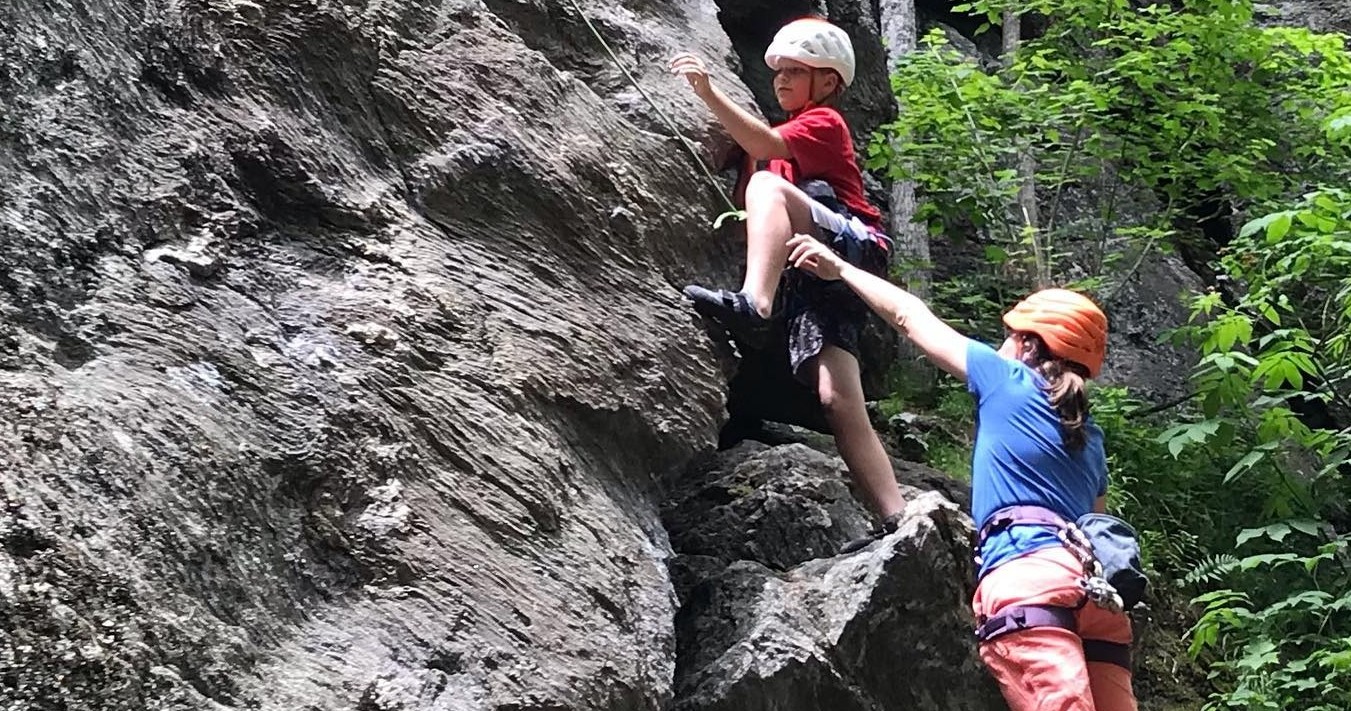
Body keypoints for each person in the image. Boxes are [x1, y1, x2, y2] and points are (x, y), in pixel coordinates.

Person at [785, 232, 1136, 711]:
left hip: (1027, 579)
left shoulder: (1005, 378)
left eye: (1010, 334)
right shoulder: (1090, 438)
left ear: (1028, 344)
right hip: (1099, 600)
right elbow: (1096, 523)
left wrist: (841, 269)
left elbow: (910, 316)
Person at [668, 17, 907, 547]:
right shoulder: (792, 134)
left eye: (795, 71)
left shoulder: (824, 122)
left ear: (828, 83)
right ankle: (897, 517)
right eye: (777, 71)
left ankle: (755, 302)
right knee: (837, 399)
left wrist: (707, 92)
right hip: (814, 270)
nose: (780, 80)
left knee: (768, 188)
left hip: (851, 246)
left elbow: (765, 147)